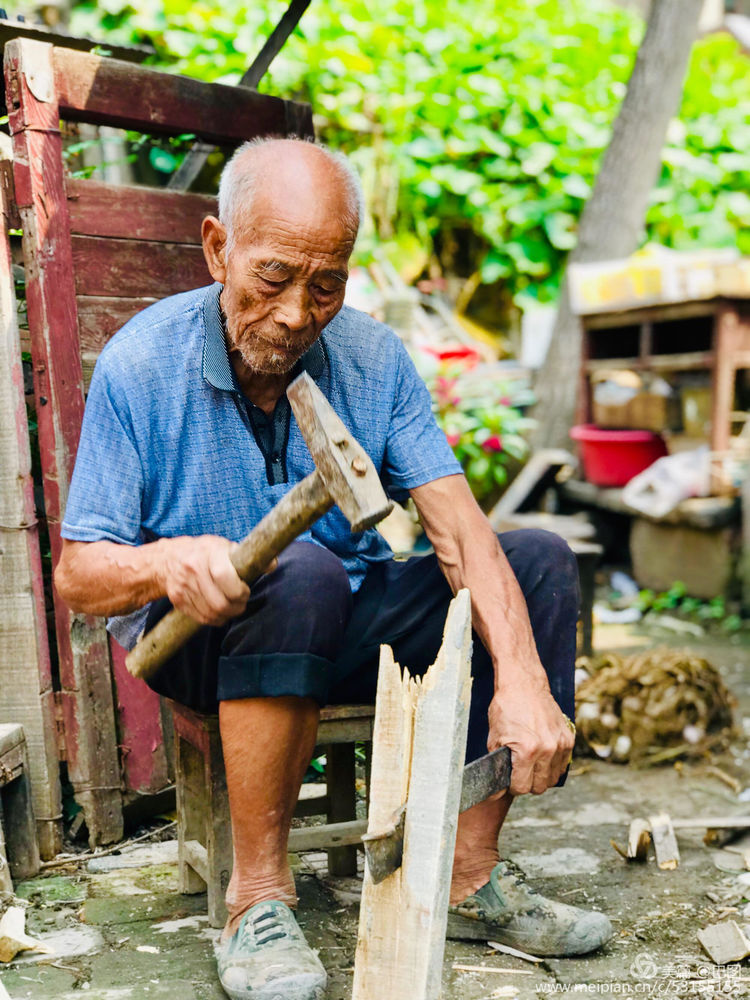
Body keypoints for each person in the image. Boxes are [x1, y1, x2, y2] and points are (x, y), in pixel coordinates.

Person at [55, 137, 612, 1000]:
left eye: (326, 285)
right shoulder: (142, 362)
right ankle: (257, 901)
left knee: (535, 557)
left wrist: (525, 679)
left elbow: (460, 531)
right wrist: (168, 562)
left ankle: (468, 876)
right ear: (218, 249)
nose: (296, 313)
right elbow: (77, 573)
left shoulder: (372, 359)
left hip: (342, 614)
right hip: (204, 637)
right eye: (274, 278)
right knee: (304, 572)